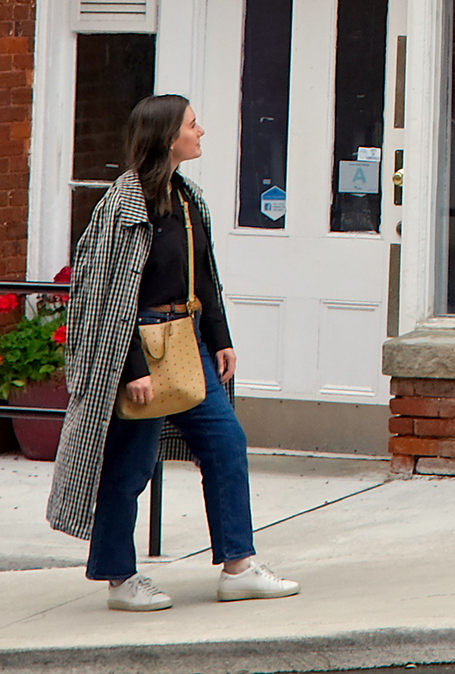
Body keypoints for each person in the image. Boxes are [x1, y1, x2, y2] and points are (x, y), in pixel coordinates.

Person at [46, 94, 302, 610]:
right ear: (168, 137)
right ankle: (120, 577)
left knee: (226, 442)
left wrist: (222, 337)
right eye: (192, 124)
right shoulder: (122, 208)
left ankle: (238, 565)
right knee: (131, 463)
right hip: (137, 349)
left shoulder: (187, 198)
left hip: (188, 343)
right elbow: (103, 293)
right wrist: (131, 369)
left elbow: (205, 275)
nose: (201, 131)